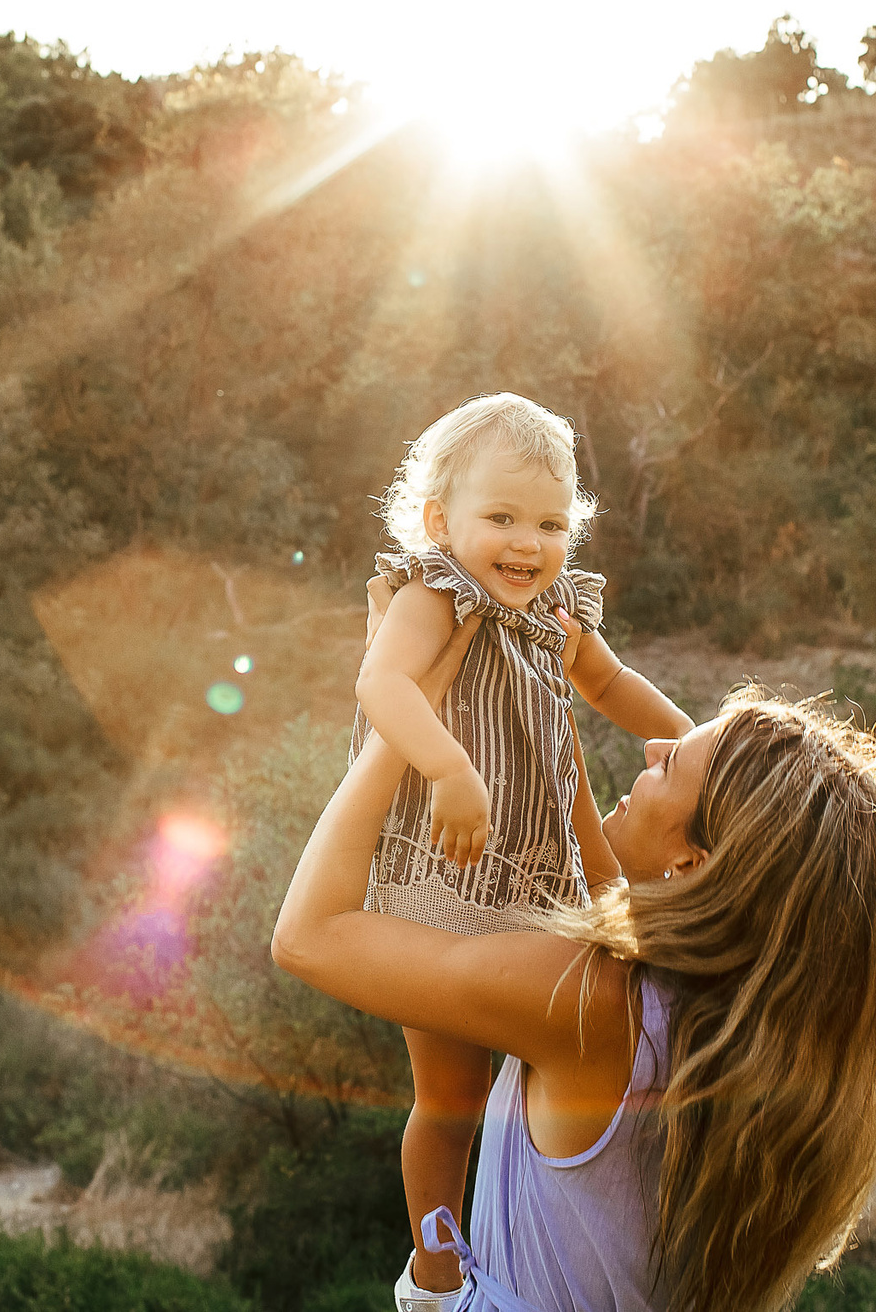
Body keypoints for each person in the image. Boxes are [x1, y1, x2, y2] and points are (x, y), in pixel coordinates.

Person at [275, 685, 876, 1312]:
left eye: (670, 762)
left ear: (692, 865)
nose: (650, 748)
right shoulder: (736, 1031)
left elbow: (309, 937)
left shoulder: (592, 1002)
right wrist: (541, 699)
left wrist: (401, 723)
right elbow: (604, 879)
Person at [351, 393, 695, 1300]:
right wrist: (450, 767)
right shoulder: (433, 595)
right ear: (439, 521)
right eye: (500, 517)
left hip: (543, 882)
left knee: (555, 1072)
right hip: (443, 881)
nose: (526, 543)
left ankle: (549, 1240)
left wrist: (708, 746)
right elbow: (382, 683)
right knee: (451, 1095)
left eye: (549, 522)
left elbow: (616, 686)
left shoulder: (556, 615)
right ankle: (434, 1265)